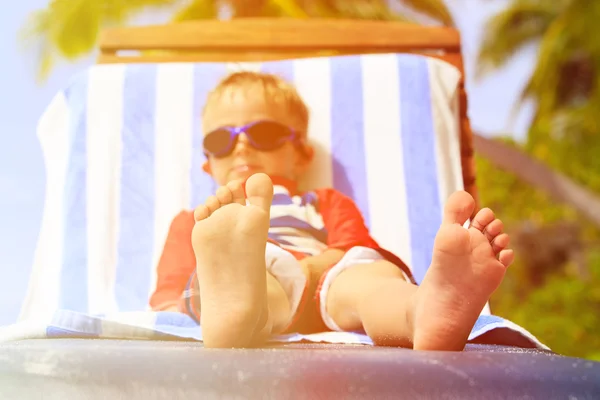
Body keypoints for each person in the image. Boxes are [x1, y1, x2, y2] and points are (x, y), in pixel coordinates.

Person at [149, 71, 514, 350]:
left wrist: (307, 269)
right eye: (220, 140)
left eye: (264, 133)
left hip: (325, 280)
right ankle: (236, 313)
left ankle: (419, 312)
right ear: (207, 166)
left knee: (369, 279)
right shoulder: (199, 221)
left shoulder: (324, 201)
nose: (241, 146)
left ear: (302, 155)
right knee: (251, 285)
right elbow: (167, 298)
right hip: (255, 275)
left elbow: (355, 248)